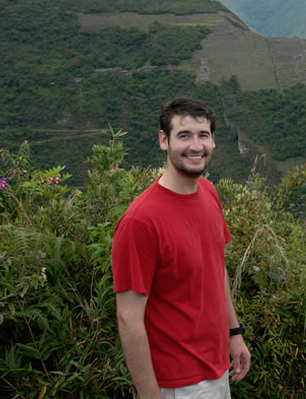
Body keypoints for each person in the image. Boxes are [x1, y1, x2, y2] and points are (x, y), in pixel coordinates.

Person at [112, 96, 250, 399]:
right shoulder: (141, 221)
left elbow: (216, 270)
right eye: (184, 135)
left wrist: (234, 333)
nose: (195, 146)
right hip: (177, 384)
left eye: (203, 135)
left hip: (216, 370)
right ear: (164, 140)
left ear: (213, 141)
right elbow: (128, 318)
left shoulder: (209, 193)